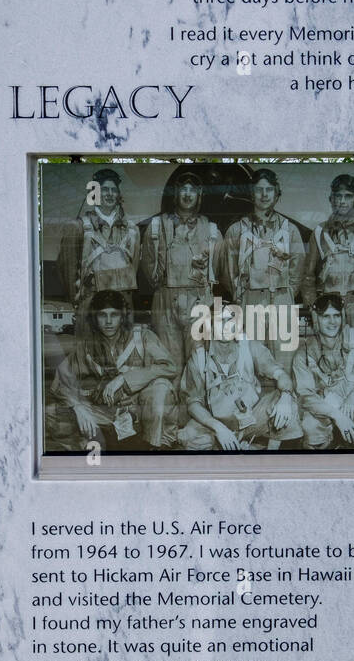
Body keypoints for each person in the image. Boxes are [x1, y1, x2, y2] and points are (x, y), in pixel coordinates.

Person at [45, 290, 178, 451]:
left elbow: (170, 367)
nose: (108, 322)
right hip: (104, 414)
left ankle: (154, 447)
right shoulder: (87, 346)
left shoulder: (142, 337)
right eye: (102, 315)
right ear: (95, 317)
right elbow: (59, 383)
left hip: (140, 414)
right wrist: (77, 407)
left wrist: (124, 378)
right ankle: (103, 438)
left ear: (122, 316)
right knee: (50, 413)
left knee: (161, 387)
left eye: (114, 315)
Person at [178, 302, 302, 452]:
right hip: (216, 422)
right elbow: (193, 403)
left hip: (251, 418)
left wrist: (286, 396)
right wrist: (219, 429)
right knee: (189, 436)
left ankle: (269, 454)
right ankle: (233, 448)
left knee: (288, 404)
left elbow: (281, 375)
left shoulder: (249, 346)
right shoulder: (199, 357)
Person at [220, 167, 305, 370]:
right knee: (254, 362)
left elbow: (298, 269)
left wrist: (285, 293)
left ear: (276, 194)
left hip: (282, 299)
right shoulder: (237, 230)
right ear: (252, 193)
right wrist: (242, 296)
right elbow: (228, 272)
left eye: (269, 189)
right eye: (259, 189)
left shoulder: (290, 230)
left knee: (284, 361)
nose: (264, 195)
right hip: (250, 301)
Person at [140, 168, 224, 375]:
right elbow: (148, 265)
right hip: (166, 299)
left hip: (199, 299)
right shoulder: (156, 226)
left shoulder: (212, 229)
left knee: (200, 365)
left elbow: (219, 267)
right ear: (176, 194)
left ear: (200, 195)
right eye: (183, 189)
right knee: (169, 366)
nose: (187, 194)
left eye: (192, 190)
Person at [292, 292, 354, 450]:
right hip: (327, 415)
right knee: (309, 424)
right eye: (326, 316)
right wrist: (337, 416)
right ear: (315, 319)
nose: (332, 322)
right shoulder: (304, 353)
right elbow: (305, 395)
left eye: (337, 316)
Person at [55, 167, 140, 338]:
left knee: (124, 358)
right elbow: (67, 270)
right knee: (89, 359)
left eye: (113, 190)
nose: (109, 194)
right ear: (96, 193)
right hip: (90, 306)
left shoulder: (132, 230)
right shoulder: (78, 227)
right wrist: (80, 302)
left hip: (122, 307)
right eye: (104, 190)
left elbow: (134, 266)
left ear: (119, 194)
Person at [300, 172, 354, 332]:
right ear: (331, 199)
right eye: (338, 196)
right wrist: (314, 312)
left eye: (348, 196)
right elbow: (308, 278)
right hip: (328, 306)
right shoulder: (320, 232)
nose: (342, 201)